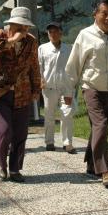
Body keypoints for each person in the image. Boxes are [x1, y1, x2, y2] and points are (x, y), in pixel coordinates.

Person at [65, 0, 108, 187]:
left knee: (101, 129)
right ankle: (105, 169)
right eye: (104, 13)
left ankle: (90, 164)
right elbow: (74, 65)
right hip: (91, 87)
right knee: (101, 125)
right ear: (95, 14)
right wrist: (68, 91)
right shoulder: (84, 35)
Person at [0, 6, 41, 183]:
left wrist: (36, 89)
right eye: (20, 26)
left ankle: (15, 168)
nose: (24, 30)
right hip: (0, 91)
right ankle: (1, 165)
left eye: (26, 27)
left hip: (22, 92)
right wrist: (12, 40)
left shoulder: (31, 42)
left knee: (20, 133)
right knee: (3, 131)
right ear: (11, 24)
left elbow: (34, 66)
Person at [38, 22, 77, 154]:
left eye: (55, 31)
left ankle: (67, 143)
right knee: (49, 115)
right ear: (48, 34)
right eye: (50, 32)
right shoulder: (42, 48)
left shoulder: (69, 49)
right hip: (49, 87)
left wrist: (73, 83)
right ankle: (49, 142)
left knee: (67, 114)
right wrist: (41, 80)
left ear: (61, 33)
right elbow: (39, 66)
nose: (53, 34)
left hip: (66, 87)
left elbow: (74, 67)